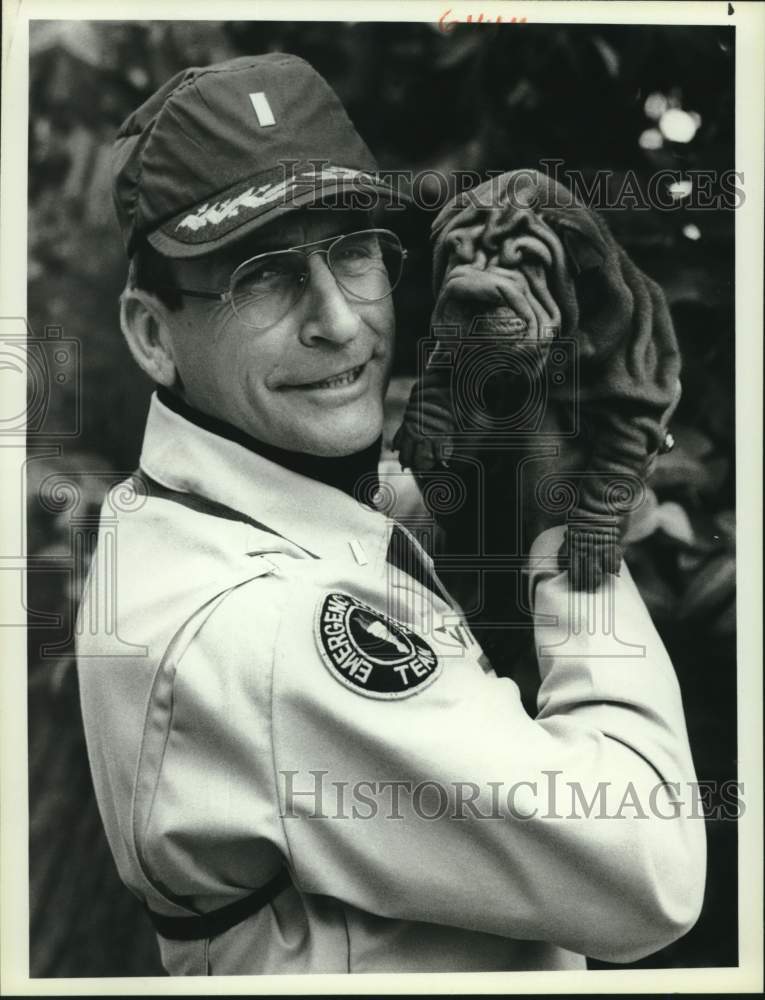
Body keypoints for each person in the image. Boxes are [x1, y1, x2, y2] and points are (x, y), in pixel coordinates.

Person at [76, 53, 706, 976]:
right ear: (150, 334)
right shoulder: (269, 626)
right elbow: (650, 872)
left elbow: (373, 534)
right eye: (261, 275)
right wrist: (574, 538)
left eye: (354, 249)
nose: (339, 320)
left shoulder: (187, 513)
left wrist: (494, 470)